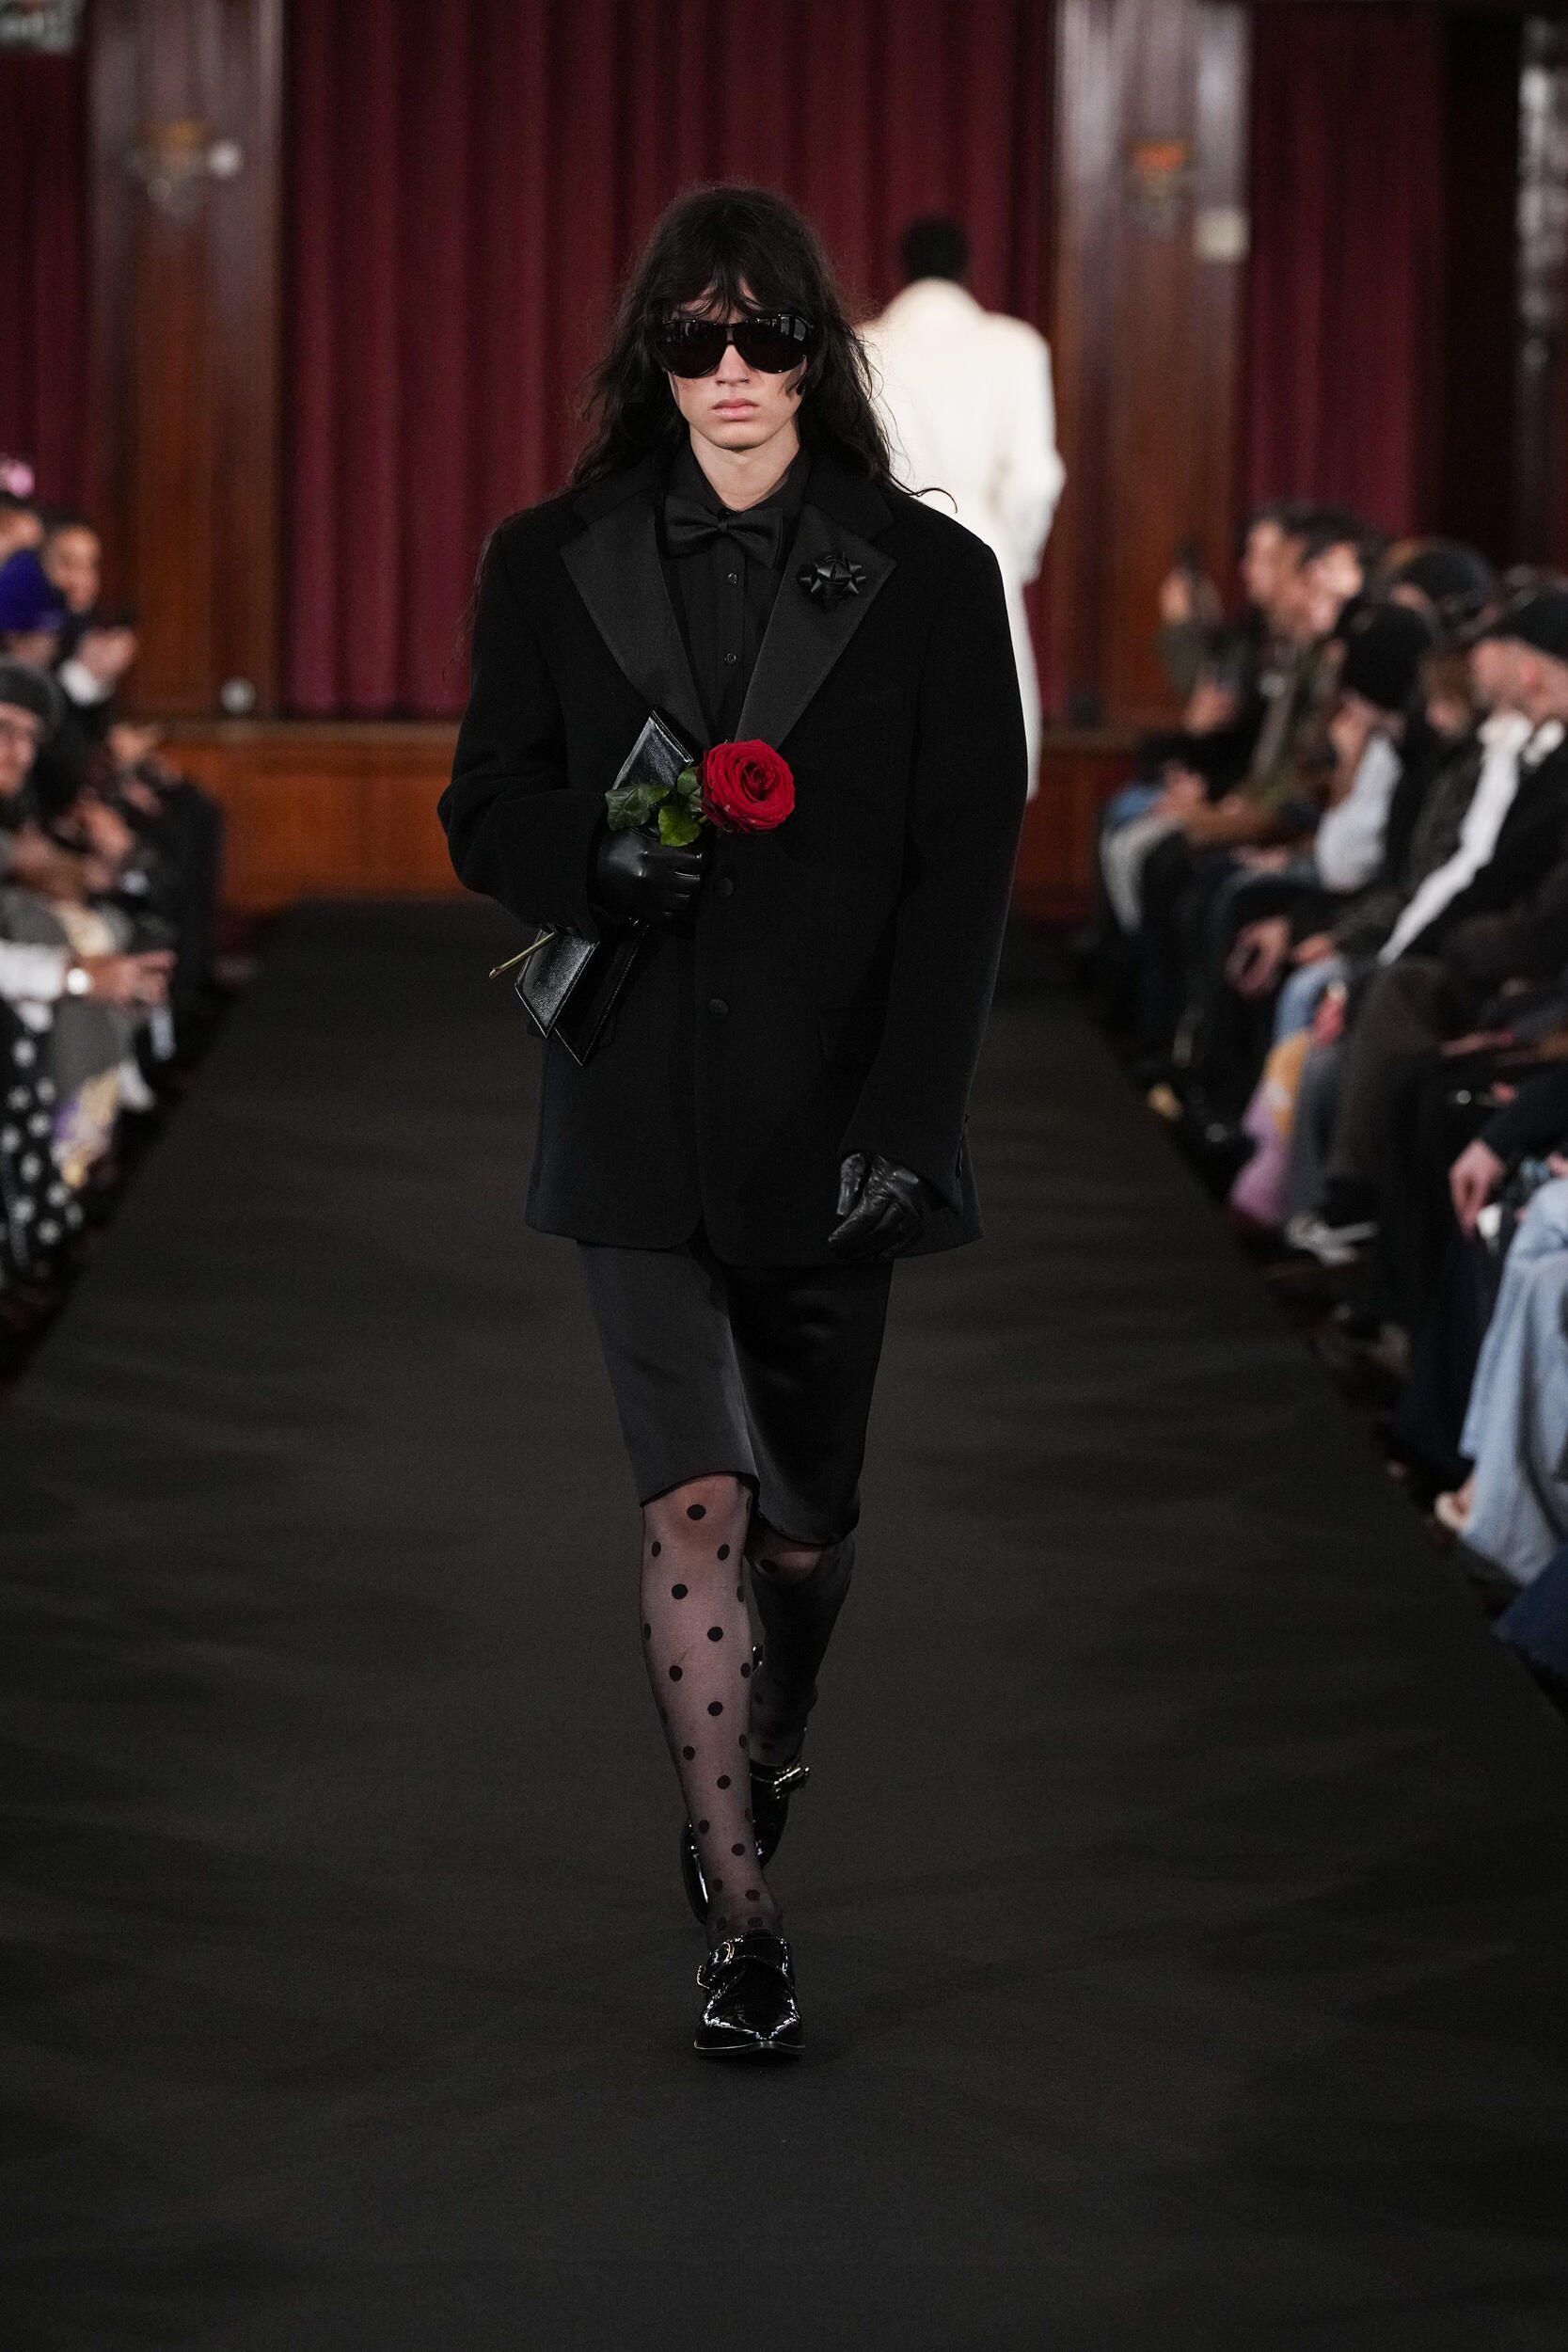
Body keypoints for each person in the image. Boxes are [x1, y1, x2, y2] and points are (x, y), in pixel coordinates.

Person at [440, 184, 1026, 2060]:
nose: (731, 371)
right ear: (653, 355)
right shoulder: (550, 558)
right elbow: (483, 803)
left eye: (765, 334)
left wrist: (911, 1118)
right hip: (627, 1090)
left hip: (833, 1108)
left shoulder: (926, 575)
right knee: (693, 1497)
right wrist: (587, 856)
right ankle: (740, 1915)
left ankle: (774, 1734)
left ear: (815, 352)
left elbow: (964, 872)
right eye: (694, 338)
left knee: (803, 1527)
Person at [862, 215, 1063, 794]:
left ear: (902, 269)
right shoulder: (1015, 347)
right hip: (984, 540)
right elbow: (1034, 479)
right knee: (987, 732)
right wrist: (1016, 552)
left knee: (892, 735)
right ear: (966, 269)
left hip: (887, 548)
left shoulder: (862, 348)